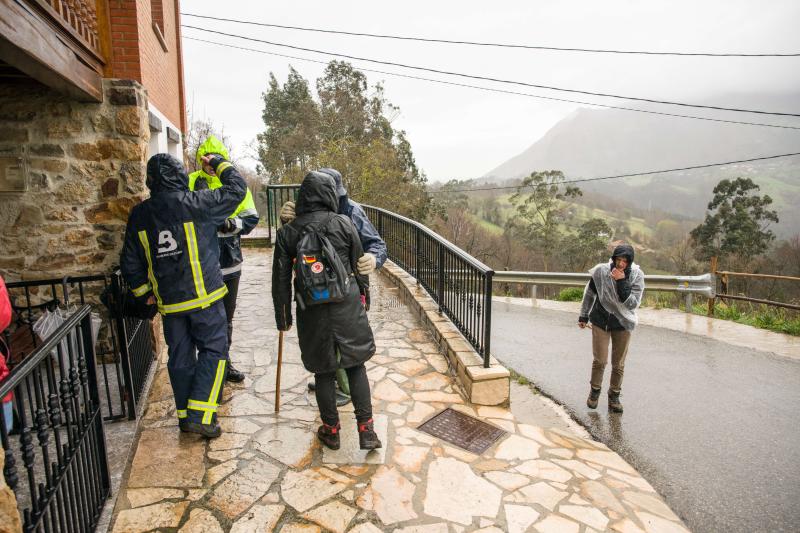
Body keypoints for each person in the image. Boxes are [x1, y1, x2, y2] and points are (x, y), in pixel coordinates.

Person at [121, 153, 246, 438]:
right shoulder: (198, 204)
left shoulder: (140, 214)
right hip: (206, 298)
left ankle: (184, 415)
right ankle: (201, 415)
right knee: (215, 352)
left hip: (169, 303)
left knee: (180, 357)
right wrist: (218, 164)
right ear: (178, 175)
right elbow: (237, 189)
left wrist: (144, 294)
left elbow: (130, 261)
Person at [272, 171, 381, 450]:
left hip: (311, 309)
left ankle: (331, 431)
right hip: (347, 304)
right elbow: (359, 265)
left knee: (323, 372)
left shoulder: (288, 232)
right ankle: (367, 431)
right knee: (356, 366)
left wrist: (283, 317)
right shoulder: (343, 223)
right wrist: (364, 298)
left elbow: (281, 280)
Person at [189, 135, 260, 383]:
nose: (209, 165)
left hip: (230, 262)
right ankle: (207, 364)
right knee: (204, 318)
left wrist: (231, 225)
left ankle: (224, 363)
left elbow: (251, 218)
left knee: (226, 318)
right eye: (206, 160)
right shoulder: (190, 183)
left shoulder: (234, 184)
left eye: (215, 160)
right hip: (201, 264)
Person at [578, 244, 644, 413]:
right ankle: (594, 392)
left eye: (625, 261)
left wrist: (621, 281)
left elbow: (632, 304)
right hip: (600, 320)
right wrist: (584, 315)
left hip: (623, 323)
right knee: (600, 360)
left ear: (630, 262)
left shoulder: (636, 276)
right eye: (618, 259)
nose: (621, 263)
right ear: (613, 258)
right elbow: (590, 294)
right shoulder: (601, 271)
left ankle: (614, 397)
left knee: (618, 364)